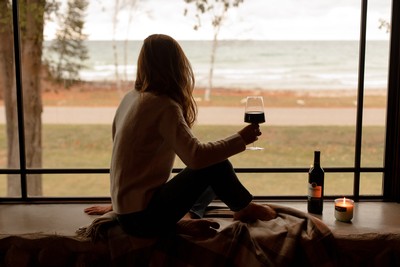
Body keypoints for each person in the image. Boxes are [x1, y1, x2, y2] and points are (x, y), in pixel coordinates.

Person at [86, 34, 276, 238]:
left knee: (215, 175)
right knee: (216, 166)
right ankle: (243, 207)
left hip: (128, 213)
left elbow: (123, 158)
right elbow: (196, 157)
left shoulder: (130, 98)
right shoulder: (163, 104)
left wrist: (121, 200)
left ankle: (187, 218)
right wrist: (241, 139)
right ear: (176, 65)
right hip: (142, 219)